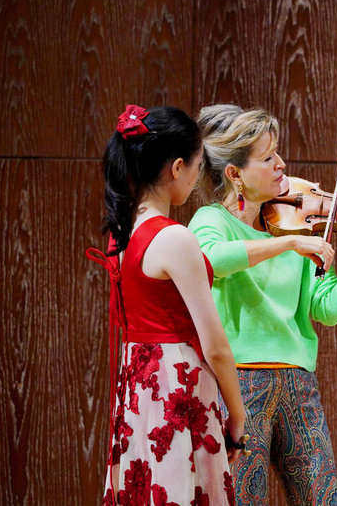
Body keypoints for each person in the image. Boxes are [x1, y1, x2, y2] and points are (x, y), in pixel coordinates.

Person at [187, 104, 337, 505]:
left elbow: (328, 308)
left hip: (297, 383)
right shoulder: (212, 221)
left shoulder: (297, 221)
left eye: (278, 153)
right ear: (235, 174)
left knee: (322, 499)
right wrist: (289, 243)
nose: (281, 165)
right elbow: (210, 262)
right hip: (239, 383)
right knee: (242, 500)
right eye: (268, 157)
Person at [87, 105, 246, 505]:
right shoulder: (174, 238)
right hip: (176, 383)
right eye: (195, 168)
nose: (195, 180)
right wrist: (238, 418)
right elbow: (215, 346)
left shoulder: (122, 231)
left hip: (138, 384)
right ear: (177, 168)